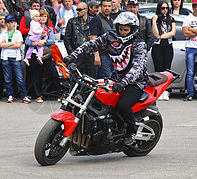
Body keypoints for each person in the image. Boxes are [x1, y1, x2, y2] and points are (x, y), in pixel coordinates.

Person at [64, 12, 149, 146]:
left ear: (133, 29)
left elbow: (138, 67)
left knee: (122, 105)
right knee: (96, 98)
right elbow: (92, 45)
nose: (122, 32)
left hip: (135, 82)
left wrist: (124, 82)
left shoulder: (139, 44)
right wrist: (73, 56)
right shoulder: (111, 37)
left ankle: (131, 132)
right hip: (116, 78)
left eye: (126, 30)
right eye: (120, 29)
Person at [25, 10, 62, 102]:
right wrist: (35, 43)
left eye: (45, 16)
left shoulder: (49, 29)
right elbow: (27, 41)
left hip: (46, 53)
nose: (43, 18)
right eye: (41, 16)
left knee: (53, 73)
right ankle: (38, 95)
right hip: (35, 53)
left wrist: (44, 41)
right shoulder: (33, 27)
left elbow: (53, 41)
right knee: (36, 75)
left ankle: (60, 94)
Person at [0, 15, 30, 103]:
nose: (10, 24)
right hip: (5, 57)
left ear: (14, 23)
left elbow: (18, 45)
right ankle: (10, 95)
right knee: (7, 78)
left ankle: (24, 95)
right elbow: (2, 45)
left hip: (15, 57)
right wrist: (13, 43)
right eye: (8, 22)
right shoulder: (3, 33)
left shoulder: (18, 33)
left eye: (11, 22)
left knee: (19, 77)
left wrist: (8, 44)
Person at [64, 2, 95, 77]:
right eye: (77, 9)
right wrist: (72, 54)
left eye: (80, 10)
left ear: (86, 10)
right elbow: (67, 39)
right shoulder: (72, 21)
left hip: (89, 54)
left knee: (91, 76)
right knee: (77, 77)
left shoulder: (93, 21)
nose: (77, 11)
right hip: (77, 54)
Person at [89, 0, 115, 78]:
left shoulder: (111, 20)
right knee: (106, 79)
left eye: (109, 6)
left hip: (113, 55)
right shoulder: (96, 20)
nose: (107, 8)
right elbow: (93, 38)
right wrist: (96, 56)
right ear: (101, 7)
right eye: (104, 6)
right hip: (102, 55)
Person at [151, 0, 176, 72]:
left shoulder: (171, 19)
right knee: (158, 69)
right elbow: (155, 34)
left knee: (167, 70)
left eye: (166, 8)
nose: (165, 10)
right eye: (163, 8)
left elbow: (172, 33)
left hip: (168, 46)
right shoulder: (156, 19)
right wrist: (154, 21)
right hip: (158, 46)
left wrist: (160, 36)